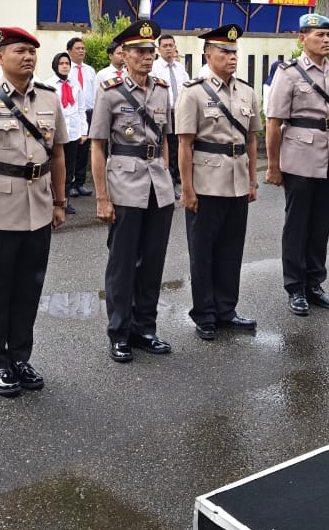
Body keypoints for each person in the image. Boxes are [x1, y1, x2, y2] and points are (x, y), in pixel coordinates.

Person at [0, 27, 67, 396]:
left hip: (38, 205)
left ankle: (20, 356)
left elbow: (59, 155)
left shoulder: (50, 98)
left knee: (28, 288)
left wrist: (59, 201)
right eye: (19, 51)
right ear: (0, 57)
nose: (28, 58)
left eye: (32, 52)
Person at [89, 21, 175, 363]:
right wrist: (101, 196)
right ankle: (120, 332)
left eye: (150, 51)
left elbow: (165, 136)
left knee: (152, 263)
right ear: (123, 54)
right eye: (139, 51)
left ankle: (145, 328)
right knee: (122, 265)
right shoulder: (110, 90)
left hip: (158, 185)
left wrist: (167, 175)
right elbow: (97, 146)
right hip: (124, 184)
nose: (147, 57)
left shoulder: (162, 89)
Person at [175, 24, 260, 340]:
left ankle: (227, 309)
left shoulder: (246, 91)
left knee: (231, 250)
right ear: (208, 54)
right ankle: (205, 314)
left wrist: (252, 181)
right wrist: (187, 189)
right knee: (203, 252)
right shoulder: (193, 92)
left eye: (234, 52)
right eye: (224, 51)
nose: (231, 57)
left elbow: (251, 139)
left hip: (238, 181)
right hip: (205, 182)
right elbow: (184, 144)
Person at [264, 13, 329, 316]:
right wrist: (273, 166)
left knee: (321, 225)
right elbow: (273, 123)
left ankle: (315, 284)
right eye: (319, 35)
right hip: (299, 158)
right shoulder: (288, 73)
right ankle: (295, 287)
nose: (326, 40)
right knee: (297, 225)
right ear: (302, 38)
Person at [46, 51, 86, 215]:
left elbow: (81, 109)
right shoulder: (48, 85)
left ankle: (64, 200)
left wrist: (84, 131)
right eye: (61, 63)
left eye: (67, 64)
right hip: (55, 134)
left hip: (73, 132)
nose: (64, 66)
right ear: (55, 65)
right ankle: (50, 199)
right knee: (52, 167)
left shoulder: (75, 84)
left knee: (68, 168)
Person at [152, 32, 190, 197]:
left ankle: (178, 178)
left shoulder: (180, 68)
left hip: (181, 112)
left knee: (181, 145)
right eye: (165, 46)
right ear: (159, 49)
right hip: (163, 113)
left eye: (171, 45)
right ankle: (170, 181)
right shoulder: (155, 68)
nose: (168, 49)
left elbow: (187, 89)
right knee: (167, 147)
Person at [66, 36, 96, 196]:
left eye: (83, 48)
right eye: (78, 48)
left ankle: (80, 182)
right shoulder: (65, 69)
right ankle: (69, 184)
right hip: (73, 114)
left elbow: (95, 92)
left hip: (89, 113)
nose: (81, 51)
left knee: (84, 150)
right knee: (72, 150)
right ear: (69, 51)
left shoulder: (90, 70)